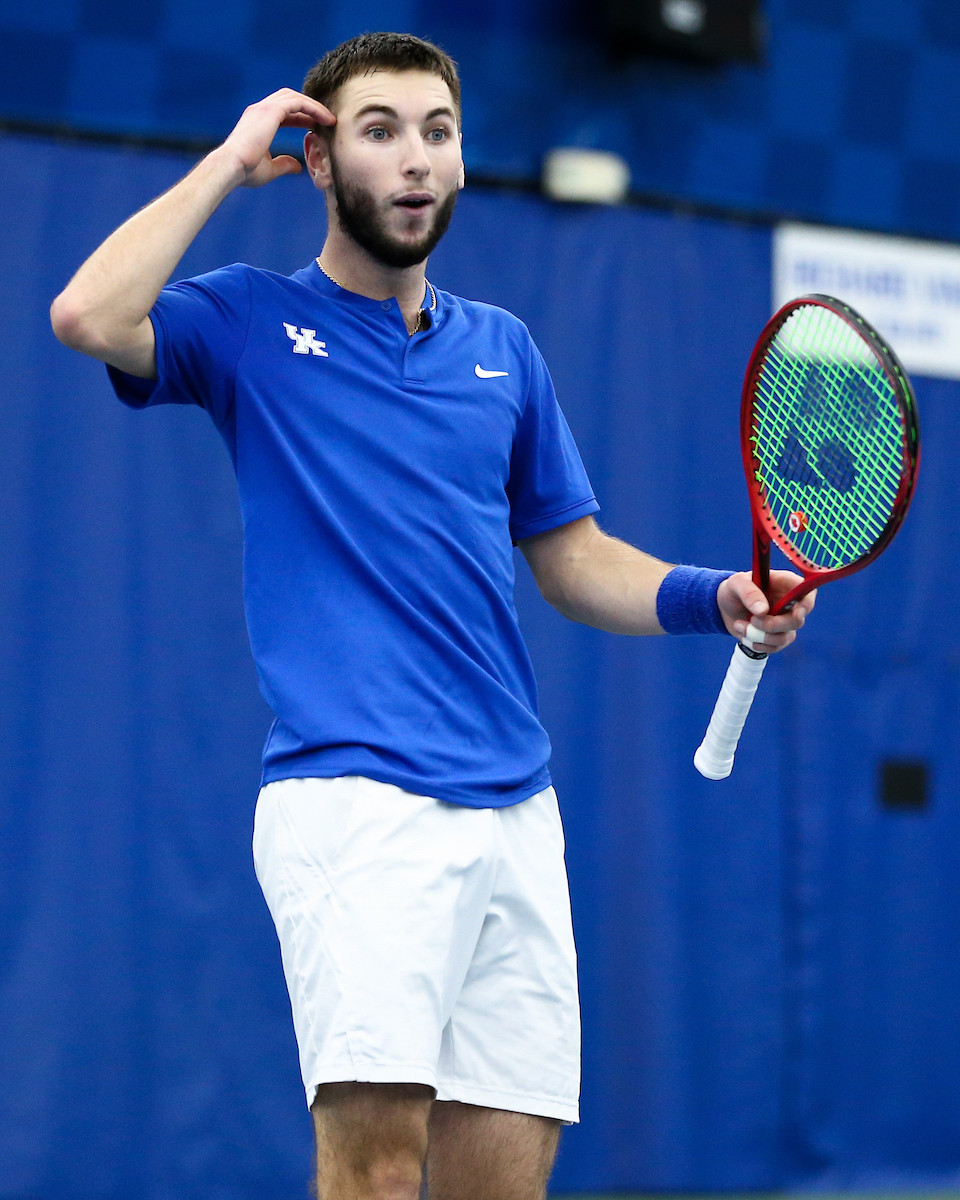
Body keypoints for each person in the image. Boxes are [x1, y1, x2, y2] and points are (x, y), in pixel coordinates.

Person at [51, 31, 815, 1200]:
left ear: (462, 165)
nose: (414, 159)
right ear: (316, 159)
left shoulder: (503, 351)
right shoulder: (248, 322)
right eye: (379, 130)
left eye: (438, 133)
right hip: (355, 805)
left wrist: (715, 599)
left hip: (516, 809)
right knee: (373, 1170)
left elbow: (573, 561)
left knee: (502, 1180)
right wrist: (225, 158)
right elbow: (88, 315)